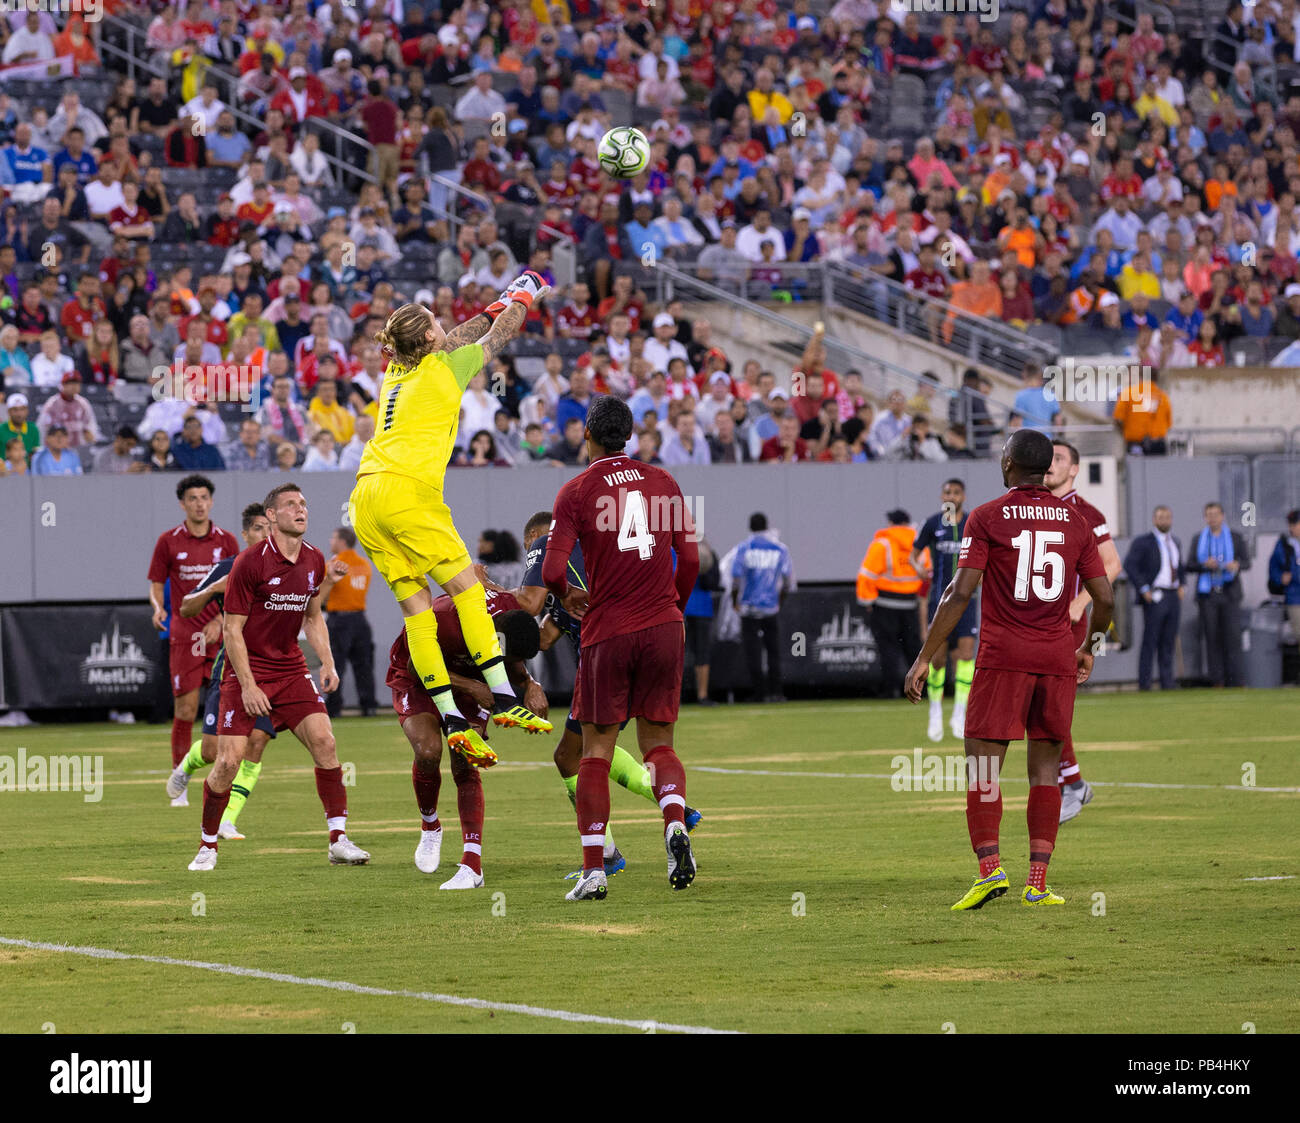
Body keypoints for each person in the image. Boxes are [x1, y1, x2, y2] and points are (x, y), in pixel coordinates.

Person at [347, 274, 552, 766]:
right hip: (409, 493)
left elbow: (461, 331)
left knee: (417, 612)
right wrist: (526, 294)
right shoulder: (446, 369)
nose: (445, 327)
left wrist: (496, 300)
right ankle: (505, 698)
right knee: (468, 593)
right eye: (437, 324)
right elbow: (499, 333)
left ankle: (452, 716)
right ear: (429, 340)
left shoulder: (395, 369)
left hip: (366, 497)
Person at [904, 429, 1113, 911]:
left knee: (982, 768)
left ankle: (989, 870)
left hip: (1003, 656)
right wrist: (1088, 649)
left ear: (1008, 466)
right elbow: (1104, 598)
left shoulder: (986, 517)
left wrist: (923, 657)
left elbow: (960, 592)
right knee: (1045, 769)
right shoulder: (1077, 520)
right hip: (1057, 656)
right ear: (1045, 469)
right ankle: (1037, 882)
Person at [541, 396, 701, 901]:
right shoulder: (666, 482)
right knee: (660, 745)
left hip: (608, 629)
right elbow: (691, 558)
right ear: (629, 435)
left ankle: (594, 870)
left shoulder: (575, 491)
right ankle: (674, 822)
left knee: (595, 751)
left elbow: (550, 571)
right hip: (663, 626)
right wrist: (672, 605)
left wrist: (569, 595)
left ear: (588, 434)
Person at [187, 482, 370, 871]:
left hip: (290, 668)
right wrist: (249, 685)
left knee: (325, 741)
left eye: (303, 503)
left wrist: (328, 662)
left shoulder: (314, 558)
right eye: (290, 505)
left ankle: (338, 839)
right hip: (246, 671)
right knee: (227, 761)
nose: (300, 509)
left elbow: (312, 615)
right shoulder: (249, 563)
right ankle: (206, 845)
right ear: (271, 516)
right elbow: (232, 629)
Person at [514, 510, 703, 881]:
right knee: (642, 745)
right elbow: (542, 638)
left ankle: (603, 859)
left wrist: (482, 600)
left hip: (605, 660)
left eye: (529, 548)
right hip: (653, 641)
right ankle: (674, 809)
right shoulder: (583, 576)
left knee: (586, 754)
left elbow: (528, 603)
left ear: (537, 535)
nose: (530, 557)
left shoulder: (549, 544)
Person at [166, 503, 348, 836]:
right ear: (247, 534)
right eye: (259, 529)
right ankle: (186, 765)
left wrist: (330, 584)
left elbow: (310, 608)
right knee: (216, 753)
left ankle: (228, 819)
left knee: (259, 741)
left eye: (270, 527)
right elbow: (185, 606)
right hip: (236, 669)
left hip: (282, 669)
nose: (267, 533)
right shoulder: (231, 566)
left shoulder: (299, 562)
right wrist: (211, 592)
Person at [388, 588, 544, 888]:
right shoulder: (445, 619)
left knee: (465, 761)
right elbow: (416, 666)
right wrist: (472, 686)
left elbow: (510, 660)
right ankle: (430, 825)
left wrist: (529, 683)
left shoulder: (510, 615)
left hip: (473, 677)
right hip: (417, 674)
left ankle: (472, 866)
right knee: (429, 752)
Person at [1044, 440, 1124, 822]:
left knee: (1050, 706)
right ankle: (1072, 784)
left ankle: (1071, 786)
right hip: (1038, 624)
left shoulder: (1085, 513)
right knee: (1042, 707)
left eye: (1059, 458)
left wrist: (1080, 603)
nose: (1051, 464)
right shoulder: (1037, 507)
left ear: (1074, 469)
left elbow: (1112, 564)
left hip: (1067, 625)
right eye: (1048, 458)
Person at [147, 475, 241, 785]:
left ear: (211, 501)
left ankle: (223, 774)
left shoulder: (226, 540)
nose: (199, 504)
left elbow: (236, 587)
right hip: (185, 633)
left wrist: (219, 621)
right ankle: (181, 776)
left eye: (204, 497)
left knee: (228, 704)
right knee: (186, 709)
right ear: (182, 503)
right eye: (192, 498)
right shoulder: (168, 540)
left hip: (221, 633)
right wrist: (158, 607)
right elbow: (157, 583)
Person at [911, 480, 976, 740]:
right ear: (942, 496)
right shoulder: (933, 524)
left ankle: (960, 712)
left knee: (966, 655)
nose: (951, 496)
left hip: (968, 600)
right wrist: (920, 571)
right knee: (937, 659)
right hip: (940, 600)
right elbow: (912, 556)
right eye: (947, 492)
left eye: (956, 492)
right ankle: (935, 710)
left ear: (963, 496)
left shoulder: (972, 523)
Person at [857, 509, 925, 699]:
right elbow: (927, 573)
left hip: (885, 604)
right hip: (911, 604)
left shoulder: (882, 544)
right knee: (914, 649)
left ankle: (891, 689)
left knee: (888, 649)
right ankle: (920, 689)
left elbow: (866, 575)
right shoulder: (919, 544)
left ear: (890, 523)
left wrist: (867, 601)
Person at [731, 512, 795, 703]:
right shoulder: (780, 549)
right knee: (773, 651)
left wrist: (736, 601)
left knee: (753, 653)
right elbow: (788, 582)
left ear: (750, 527)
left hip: (750, 608)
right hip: (770, 609)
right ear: (767, 526)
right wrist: (779, 601)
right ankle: (776, 692)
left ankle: (759, 693)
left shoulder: (744, 548)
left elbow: (735, 579)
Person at [1186, 501, 1250, 688]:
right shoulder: (1199, 539)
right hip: (1209, 594)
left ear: (1222, 516)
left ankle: (1236, 680)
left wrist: (1236, 565)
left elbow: (1246, 562)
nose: (1213, 518)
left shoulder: (1236, 537)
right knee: (1212, 638)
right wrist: (1205, 565)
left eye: (1216, 514)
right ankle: (1217, 680)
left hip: (1230, 593)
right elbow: (1189, 565)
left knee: (1232, 638)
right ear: (1205, 518)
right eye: (1209, 515)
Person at [1124, 506, 1185, 692]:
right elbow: (1130, 565)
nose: (1164, 520)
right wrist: (1143, 588)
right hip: (1155, 596)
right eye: (1160, 517)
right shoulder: (1144, 542)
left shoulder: (1175, 541)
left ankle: (1168, 683)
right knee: (1150, 641)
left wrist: (1183, 584)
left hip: (1173, 595)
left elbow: (1178, 565)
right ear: (1154, 520)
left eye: (1167, 517)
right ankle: (1145, 683)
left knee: (1168, 641)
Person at [324, 526, 377, 719]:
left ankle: (333, 707)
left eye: (333, 538)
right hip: (360, 620)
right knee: (363, 665)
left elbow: (322, 591)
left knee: (335, 664)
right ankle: (369, 705)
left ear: (341, 541)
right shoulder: (365, 564)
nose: (331, 541)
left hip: (339, 620)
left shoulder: (334, 564)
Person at [1267, 510, 1300, 647]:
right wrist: (1280, 578)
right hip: (1294, 596)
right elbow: (1273, 568)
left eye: (1296, 524)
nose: (1292, 528)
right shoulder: (1284, 544)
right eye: (1291, 525)